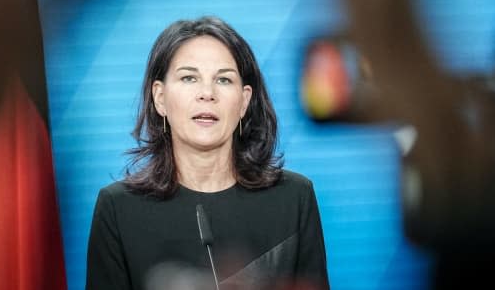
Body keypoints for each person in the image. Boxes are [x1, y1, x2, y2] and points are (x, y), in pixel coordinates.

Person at [86, 16, 329, 290]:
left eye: (223, 80)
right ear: (160, 98)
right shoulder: (118, 209)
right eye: (189, 77)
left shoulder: (294, 197)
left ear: (244, 101)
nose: (207, 93)